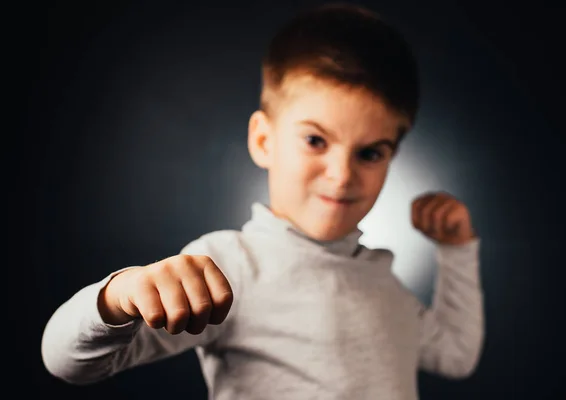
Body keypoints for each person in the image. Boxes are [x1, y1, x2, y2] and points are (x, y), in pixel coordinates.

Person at [41, 3, 484, 399]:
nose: (342, 174)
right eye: (315, 140)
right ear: (263, 139)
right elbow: (66, 362)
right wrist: (118, 297)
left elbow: (455, 355)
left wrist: (457, 251)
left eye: (369, 153)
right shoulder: (227, 267)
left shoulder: (383, 283)